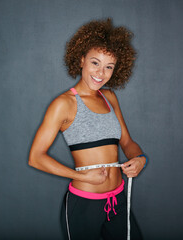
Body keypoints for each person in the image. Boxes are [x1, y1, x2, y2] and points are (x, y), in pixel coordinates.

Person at [28, 19, 146, 240]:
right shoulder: (64, 104)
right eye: (95, 63)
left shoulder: (109, 97)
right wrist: (80, 175)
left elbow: (128, 143)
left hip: (118, 200)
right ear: (81, 60)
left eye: (108, 66)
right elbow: (35, 158)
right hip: (85, 204)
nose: (101, 73)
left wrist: (139, 158)